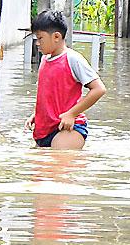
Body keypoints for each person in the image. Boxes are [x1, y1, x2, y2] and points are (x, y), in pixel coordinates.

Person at [25, 10, 107, 149]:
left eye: (40, 38)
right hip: (44, 130)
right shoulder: (45, 59)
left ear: (56, 36)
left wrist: (71, 114)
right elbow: (47, 94)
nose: (37, 43)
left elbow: (99, 89)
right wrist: (37, 114)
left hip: (68, 128)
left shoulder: (72, 59)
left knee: (58, 165)